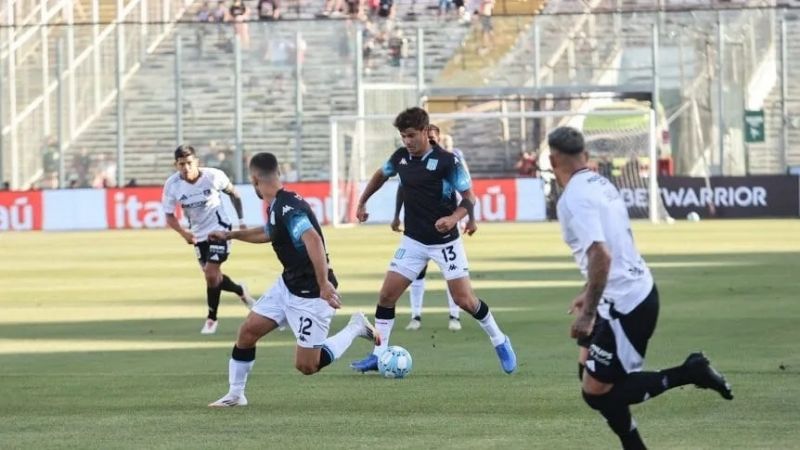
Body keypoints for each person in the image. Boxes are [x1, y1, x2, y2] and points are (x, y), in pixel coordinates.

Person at [548, 127, 733, 450]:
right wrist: (588, 291)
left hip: (626, 304)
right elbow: (609, 251)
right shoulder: (601, 183)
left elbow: (602, 255)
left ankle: (691, 372)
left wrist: (587, 314)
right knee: (589, 376)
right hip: (623, 292)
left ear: (552, 160)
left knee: (595, 392)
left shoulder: (573, 199)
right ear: (586, 157)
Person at [351, 107, 516, 374]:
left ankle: (499, 339)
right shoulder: (401, 157)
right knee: (386, 295)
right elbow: (382, 174)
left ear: (427, 132)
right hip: (413, 241)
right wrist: (362, 200)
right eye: (403, 136)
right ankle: (378, 353)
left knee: (465, 300)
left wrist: (454, 218)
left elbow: (470, 198)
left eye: (411, 135)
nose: (407, 141)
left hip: (446, 242)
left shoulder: (447, 161)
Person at [208, 152, 380, 407]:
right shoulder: (278, 204)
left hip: (312, 294)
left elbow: (312, 239)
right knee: (247, 332)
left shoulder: (289, 207)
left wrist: (323, 284)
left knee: (307, 366)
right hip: (287, 285)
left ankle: (356, 327)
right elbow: (269, 232)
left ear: (255, 179)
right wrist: (230, 234)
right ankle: (236, 394)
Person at [162, 145, 255, 335]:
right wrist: (184, 233)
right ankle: (240, 290)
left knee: (211, 273)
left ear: (196, 161)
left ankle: (211, 319)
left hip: (220, 230)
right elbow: (169, 215)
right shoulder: (172, 185)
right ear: (176, 165)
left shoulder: (213, 176)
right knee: (212, 276)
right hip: (198, 234)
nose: (186, 168)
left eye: (189, 163)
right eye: (181, 164)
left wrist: (242, 221)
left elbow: (234, 193)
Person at [392, 124, 475, 332]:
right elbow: (402, 189)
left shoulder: (451, 160)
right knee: (417, 273)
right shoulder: (412, 162)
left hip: (445, 227)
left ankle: (454, 316)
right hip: (418, 230)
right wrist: (396, 216)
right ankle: (416, 316)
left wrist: (468, 219)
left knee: (453, 277)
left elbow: (467, 194)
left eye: (434, 137)